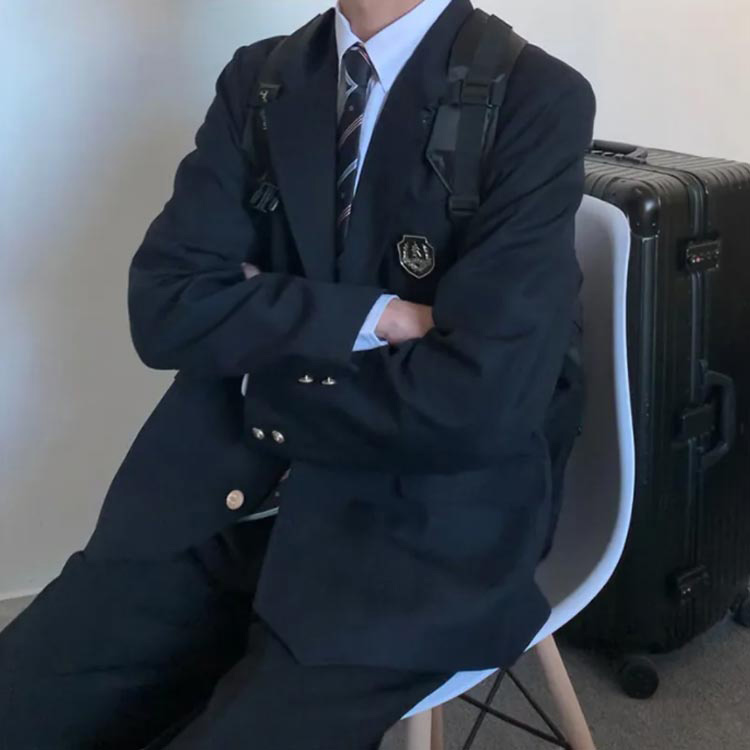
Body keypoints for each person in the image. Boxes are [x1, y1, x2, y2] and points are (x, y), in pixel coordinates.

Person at [0, 0, 595, 747]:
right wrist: (381, 316)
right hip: (222, 499)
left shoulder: (536, 97)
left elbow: (481, 398)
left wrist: (260, 370)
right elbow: (165, 306)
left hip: (412, 532)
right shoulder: (263, 77)